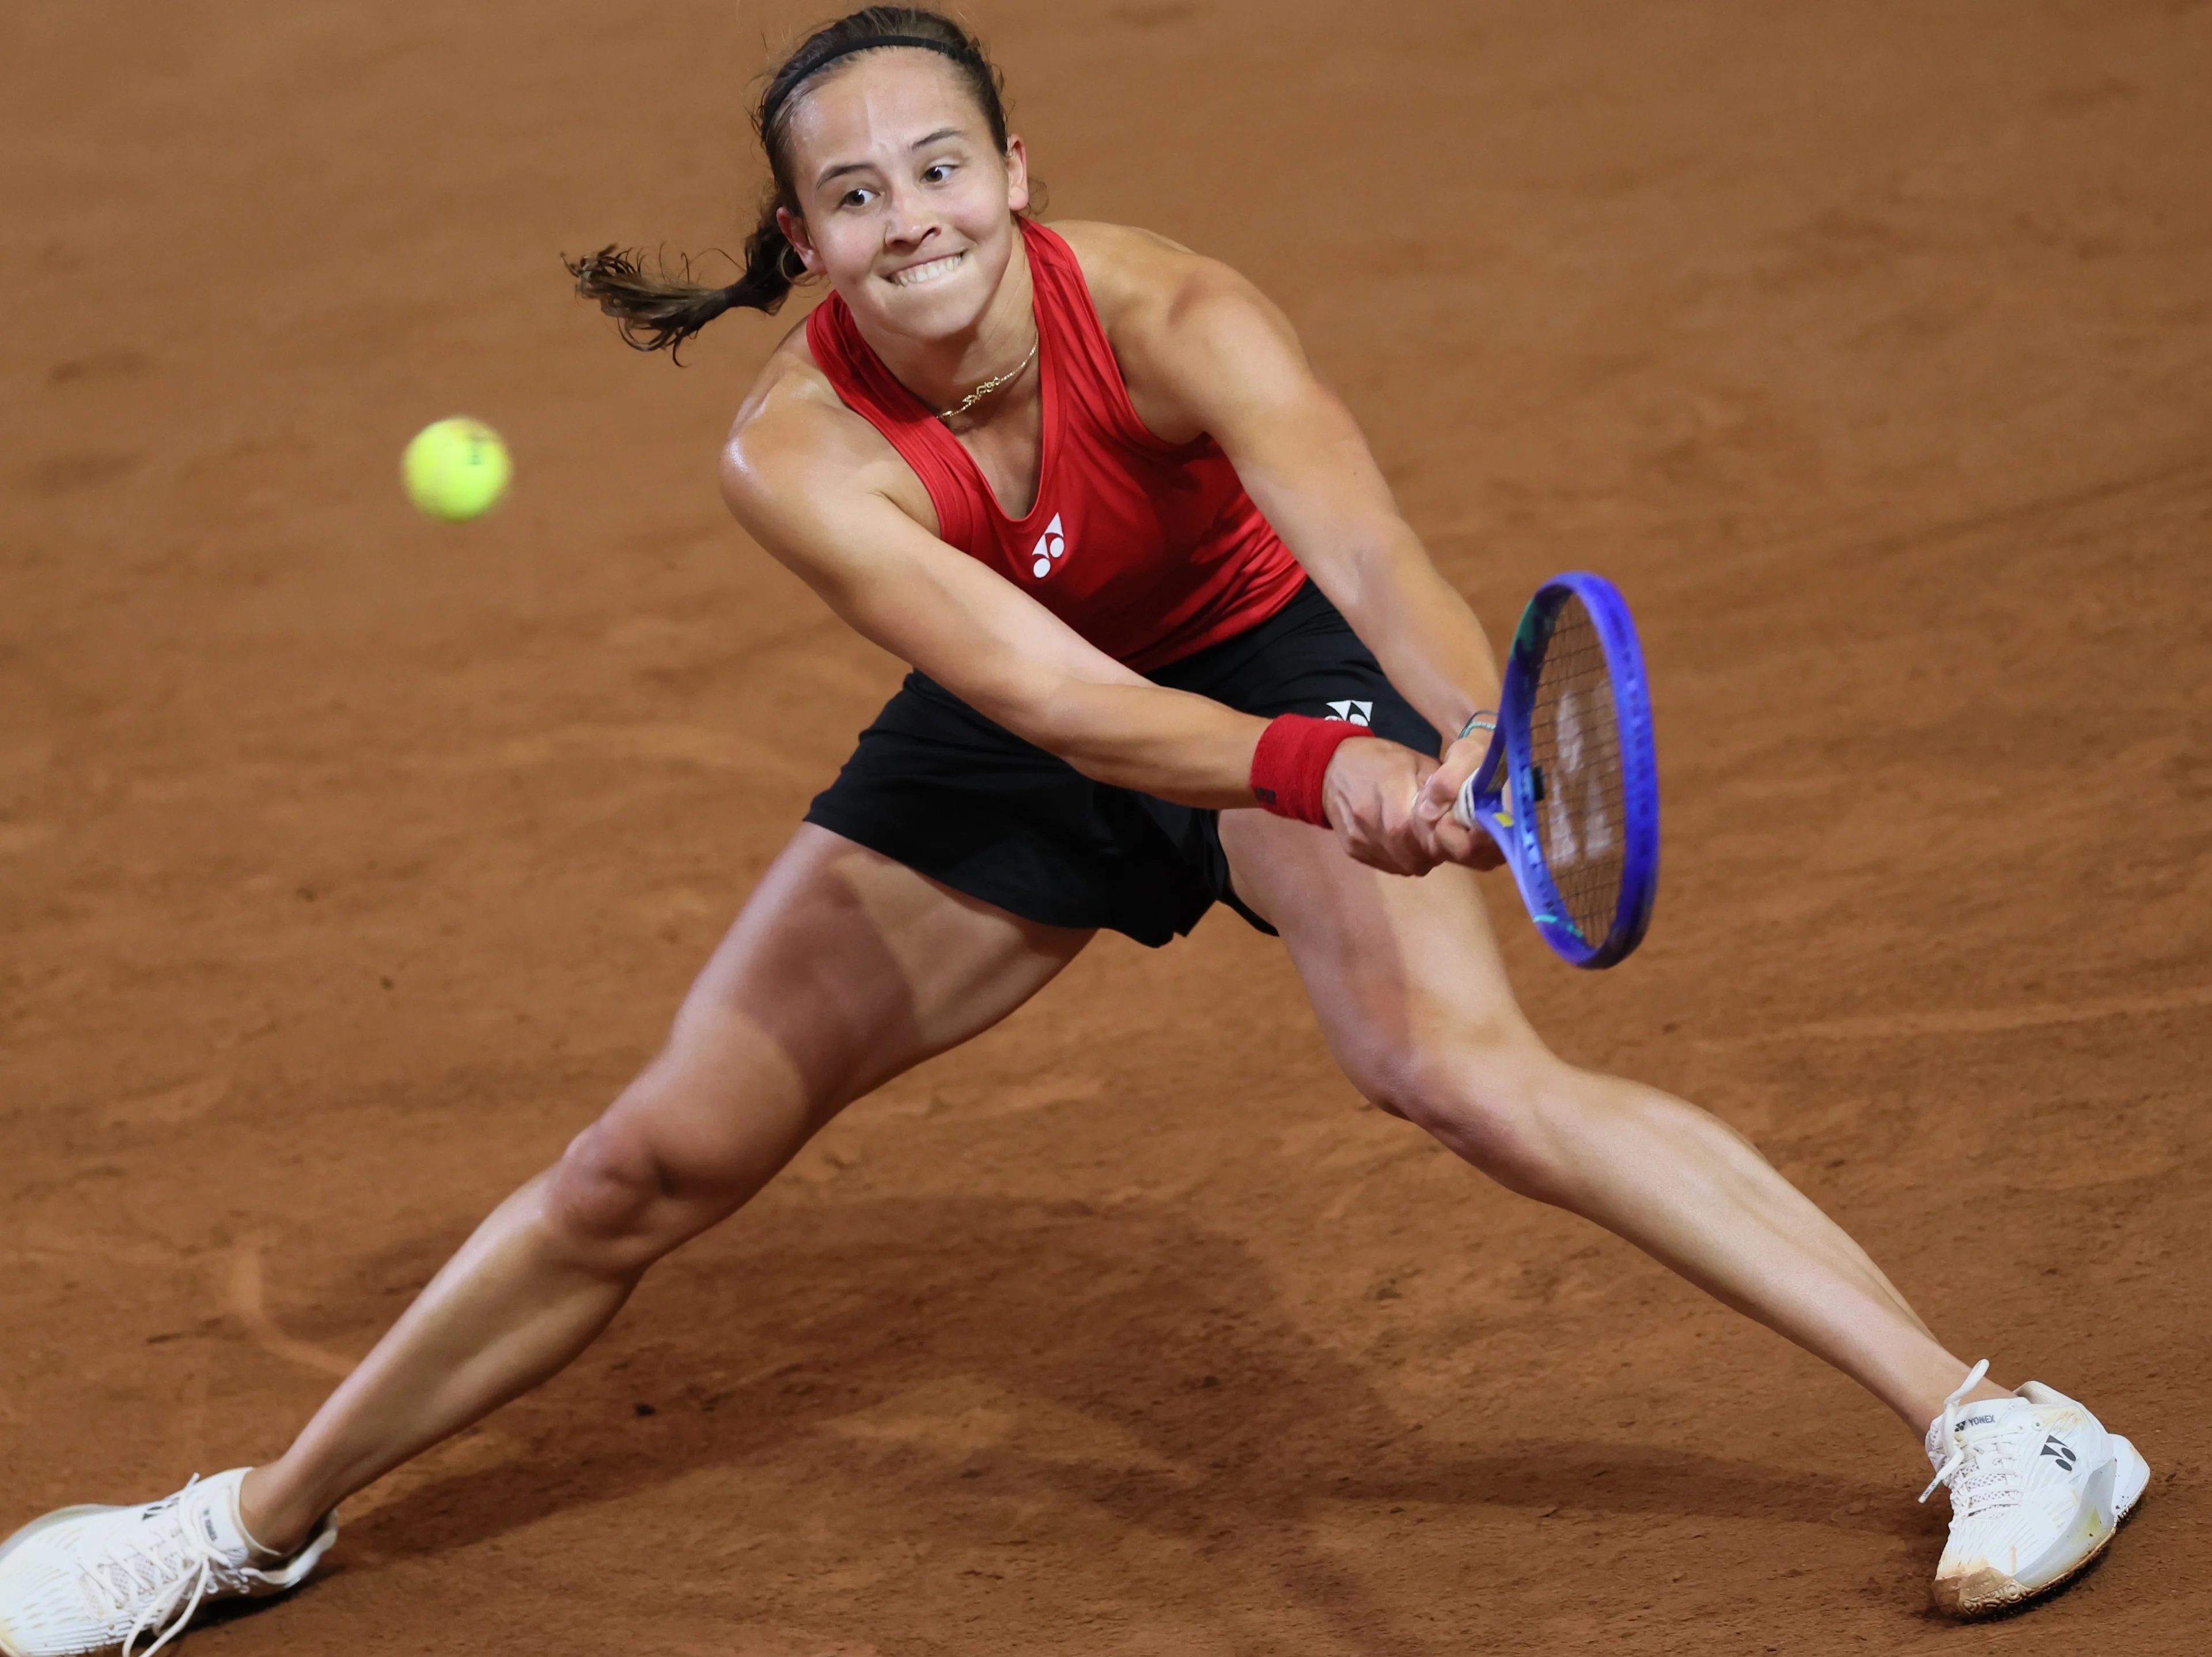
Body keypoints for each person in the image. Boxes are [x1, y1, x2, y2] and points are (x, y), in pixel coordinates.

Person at [0, 10, 2147, 1654]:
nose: (912, 213)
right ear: (804, 241)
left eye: (946, 164)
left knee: (1460, 1074)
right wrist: (1327, 783)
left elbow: (1371, 551)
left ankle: (2000, 1413)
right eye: (857, 195)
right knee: (645, 1158)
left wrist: (1461, 728)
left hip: (1266, 643)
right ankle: (252, 1522)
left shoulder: (1178, 310)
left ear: (1015, 169)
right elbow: (1048, 705)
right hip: (1036, 716)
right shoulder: (799, 454)